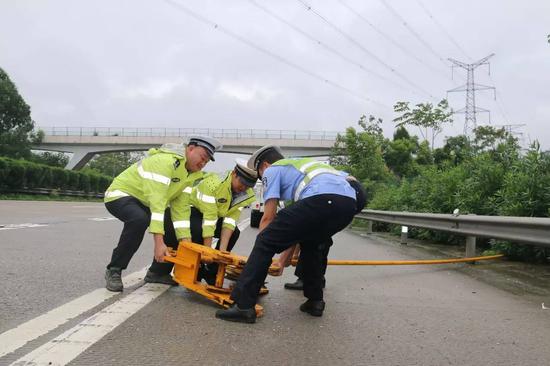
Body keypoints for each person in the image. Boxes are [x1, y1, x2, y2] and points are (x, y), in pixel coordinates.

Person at [215, 145, 358, 323]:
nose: (262, 179)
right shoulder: (304, 167)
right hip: (348, 205)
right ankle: (315, 301)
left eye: (260, 175)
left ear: (265, 166)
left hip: (321, 199)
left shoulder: (273, 170)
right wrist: (284, 260)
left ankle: (243, 305)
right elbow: (297, 229)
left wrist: (262, 249)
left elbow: (268, 217)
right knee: (312, 243)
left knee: (265, 241)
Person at [103, 136, 222, 292]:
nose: (203, 163)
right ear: (190, 148)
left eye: (206, 161)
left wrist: (186, 242)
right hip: (121, 194)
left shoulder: (189, 175)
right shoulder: (165, 162)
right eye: (202, 157)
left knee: (172, 223)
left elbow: (180, 211)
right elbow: (157, 202)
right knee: (139, 220)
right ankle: (114, 269)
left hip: (146, 203)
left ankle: (157, 272)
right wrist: (159, 244)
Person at [146, 159, 258, 284]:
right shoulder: (213, 184)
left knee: (235, 232)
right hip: (190, 210)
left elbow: (230, 221)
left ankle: (211, 271)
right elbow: (209, 220)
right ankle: (165, 272)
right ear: (234, 174)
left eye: (248, 186)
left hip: (212, 216)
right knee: (197, 230)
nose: (243, 188)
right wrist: (207, 252)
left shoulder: (245, 194)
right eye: (242, 183)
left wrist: (221, 253)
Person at [284, 176, 367, 290]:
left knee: (312, 239)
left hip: (346, 196)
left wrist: (289, 257)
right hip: (354, 197)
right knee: (321, 239)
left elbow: (300, 229)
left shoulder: (308, 190)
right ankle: (317, 279)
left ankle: (306, 280)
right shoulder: (321, 179)